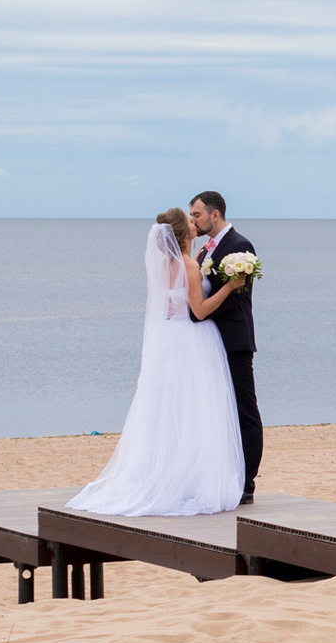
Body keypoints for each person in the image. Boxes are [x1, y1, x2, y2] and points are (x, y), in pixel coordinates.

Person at [65, 209, 246, 517]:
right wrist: (230, 286)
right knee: (195, 411)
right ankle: (191, 480)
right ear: (183, 233)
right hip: (192, 341)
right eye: (190, 221)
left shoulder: (163, 264)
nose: (194, 223)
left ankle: (166, 473)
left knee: (168, 411)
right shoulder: (188, 265)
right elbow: (199, 311)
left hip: (167, 342)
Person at [188, 190, 263, 504]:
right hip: (210, 343)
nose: (194, 220)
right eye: (192, 215)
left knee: (244, 410)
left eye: (197, 215)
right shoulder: (204, 253)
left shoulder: (239, 247)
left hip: (234, 341)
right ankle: (224, 474)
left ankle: (247, 481)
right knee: (220, 411)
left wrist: (201, 310)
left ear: (214, 214)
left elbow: (238, 298)